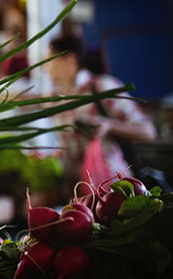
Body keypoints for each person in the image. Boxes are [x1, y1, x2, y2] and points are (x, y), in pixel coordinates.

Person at [44, 35, 156, 195]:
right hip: (76, 194)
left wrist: (109, 126)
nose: (46, 67)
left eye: (49, 61)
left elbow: (148, 131)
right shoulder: (55, 98)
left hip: (114, 191)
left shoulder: (102, 87)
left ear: (69, 60)